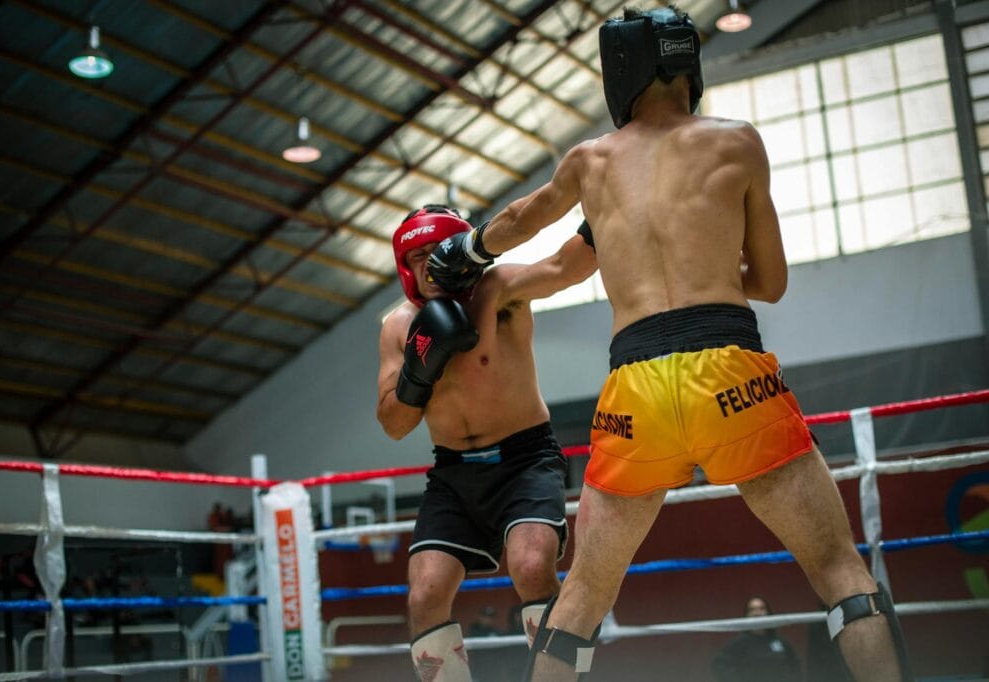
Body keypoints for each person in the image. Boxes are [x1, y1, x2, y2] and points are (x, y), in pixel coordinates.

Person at [426, 7, 914, 682]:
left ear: (617, 74)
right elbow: (769, 282)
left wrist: (467, 248)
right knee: (839, 570)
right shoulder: (738, 142)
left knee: (582, 600)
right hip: (732, 373)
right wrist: (709, 266)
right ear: (690, 66)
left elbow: (517, 220)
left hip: (635, 392)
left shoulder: (590, 160)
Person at [377, 204, 596, 681]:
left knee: (533, 565)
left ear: (460, 250)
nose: (428, 263)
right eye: (416, 256)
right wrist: (419, 368)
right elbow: (394, 425)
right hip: (453, 473)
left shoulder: (499, 290)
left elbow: (567, 267)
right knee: (425, 594)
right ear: (404, 266)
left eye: (438, 251)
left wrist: (608, 205)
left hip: (525, 459)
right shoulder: (398, 326)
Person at [711, 596, 801, 682]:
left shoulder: (780, 642)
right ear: (747, 615)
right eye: (752, 610)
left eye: (762, 608)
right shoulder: (739, 643)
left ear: (768, 613)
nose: (757, 613)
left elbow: (795, 666)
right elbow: (718, 664)